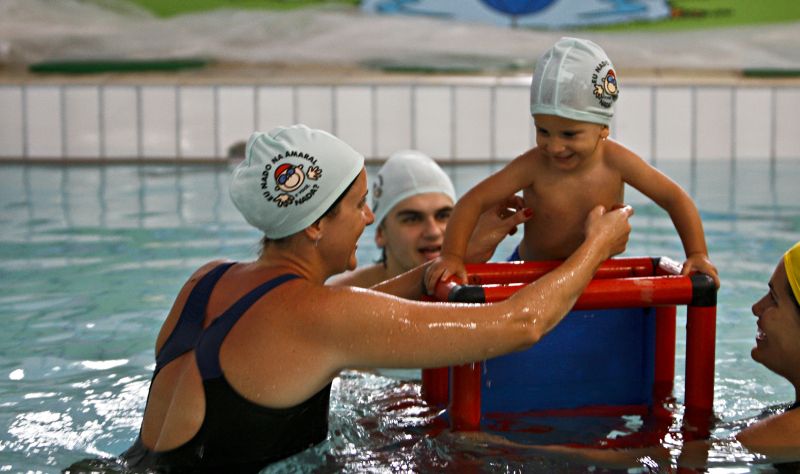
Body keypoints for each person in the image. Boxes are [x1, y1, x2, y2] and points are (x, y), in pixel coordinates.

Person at [64, 124, 632, 472]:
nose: (368, 217)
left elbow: (316, 322)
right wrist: (595, 245)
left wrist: (455, 258)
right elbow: (523, 324)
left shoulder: (207, 280)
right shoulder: (322, 317)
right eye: (360, 204)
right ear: (314, 225)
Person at [458, 241, 800, 471]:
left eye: (773, 298)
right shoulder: (782, 422)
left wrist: (496, 447)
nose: (757, 308)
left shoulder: (786, 432)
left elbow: (659, 460)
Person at [425, 37, 719, 294]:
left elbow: (674, 197)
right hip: (527, 275)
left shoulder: (617, 162)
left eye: (569, 134)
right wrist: (451, 256)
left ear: (603, 128)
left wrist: (697, 254)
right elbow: (473, 201)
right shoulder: (533, 166)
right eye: (543, 131)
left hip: (595, 277)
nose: (553, 147)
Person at [328, 149, 532, 288]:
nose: (433, 231)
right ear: (381, 234)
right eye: (412, 219)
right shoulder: (340, 295)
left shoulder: (481, 284)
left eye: (444, 216)